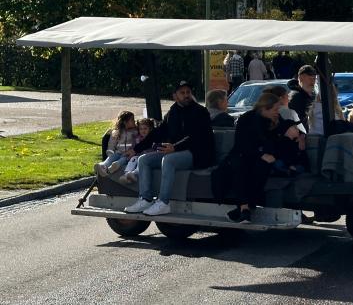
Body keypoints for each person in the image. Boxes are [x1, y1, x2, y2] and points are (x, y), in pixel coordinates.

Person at [124, 81, 215, 216]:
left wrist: (175, 147)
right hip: (176, 151)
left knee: (169, 160)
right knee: (144, 160)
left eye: (188, 92)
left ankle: (163, 203)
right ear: (175, 96)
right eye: (182, 93)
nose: (186, 95)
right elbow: (158, 132)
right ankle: (146, 199)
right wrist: (136, 149)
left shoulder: (200, 112)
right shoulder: (173, 112)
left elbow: (196, 137)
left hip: (198, 154)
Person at [227, 93, 301, 223]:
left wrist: (296, 135)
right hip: (244, 154)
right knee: (241, 166)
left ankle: (244, 208)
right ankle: (245, 207)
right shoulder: (247, 119)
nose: (278, 112)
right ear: (264, 108)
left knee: (261, 166)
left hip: (266, 156)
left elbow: (281, 139)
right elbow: (242, 143)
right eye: (275, 109)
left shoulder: (276, 120)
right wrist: (261, 154)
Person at [95, 111, 138, 177]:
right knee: (111, 158)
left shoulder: (135, 131)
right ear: (125, 122)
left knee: (124, 159)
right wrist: (110, 154)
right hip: (117, 153)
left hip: (128, 154)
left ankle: (116, 165)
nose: (134, 121)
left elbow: (138, 142)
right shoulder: (116, 132)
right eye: (132, 119)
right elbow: (111, 145)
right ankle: (102, 166)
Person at [120, 118, 157, 184]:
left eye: (145, 129)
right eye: (141, 129)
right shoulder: (137, 138)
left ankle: (135, 173)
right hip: (138, 156)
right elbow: (134, 148)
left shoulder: (153, 138)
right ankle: (126, 174)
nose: (143, 131)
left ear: (150, 129)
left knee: (141, 161)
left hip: (148, 157)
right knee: (133, 159)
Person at [288, 65, 317, 132]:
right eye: (310, 79)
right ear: (301, 78)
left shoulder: (313, 96)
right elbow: (298, 121)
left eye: (314, 79)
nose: (313, 82)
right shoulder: (296, 97)